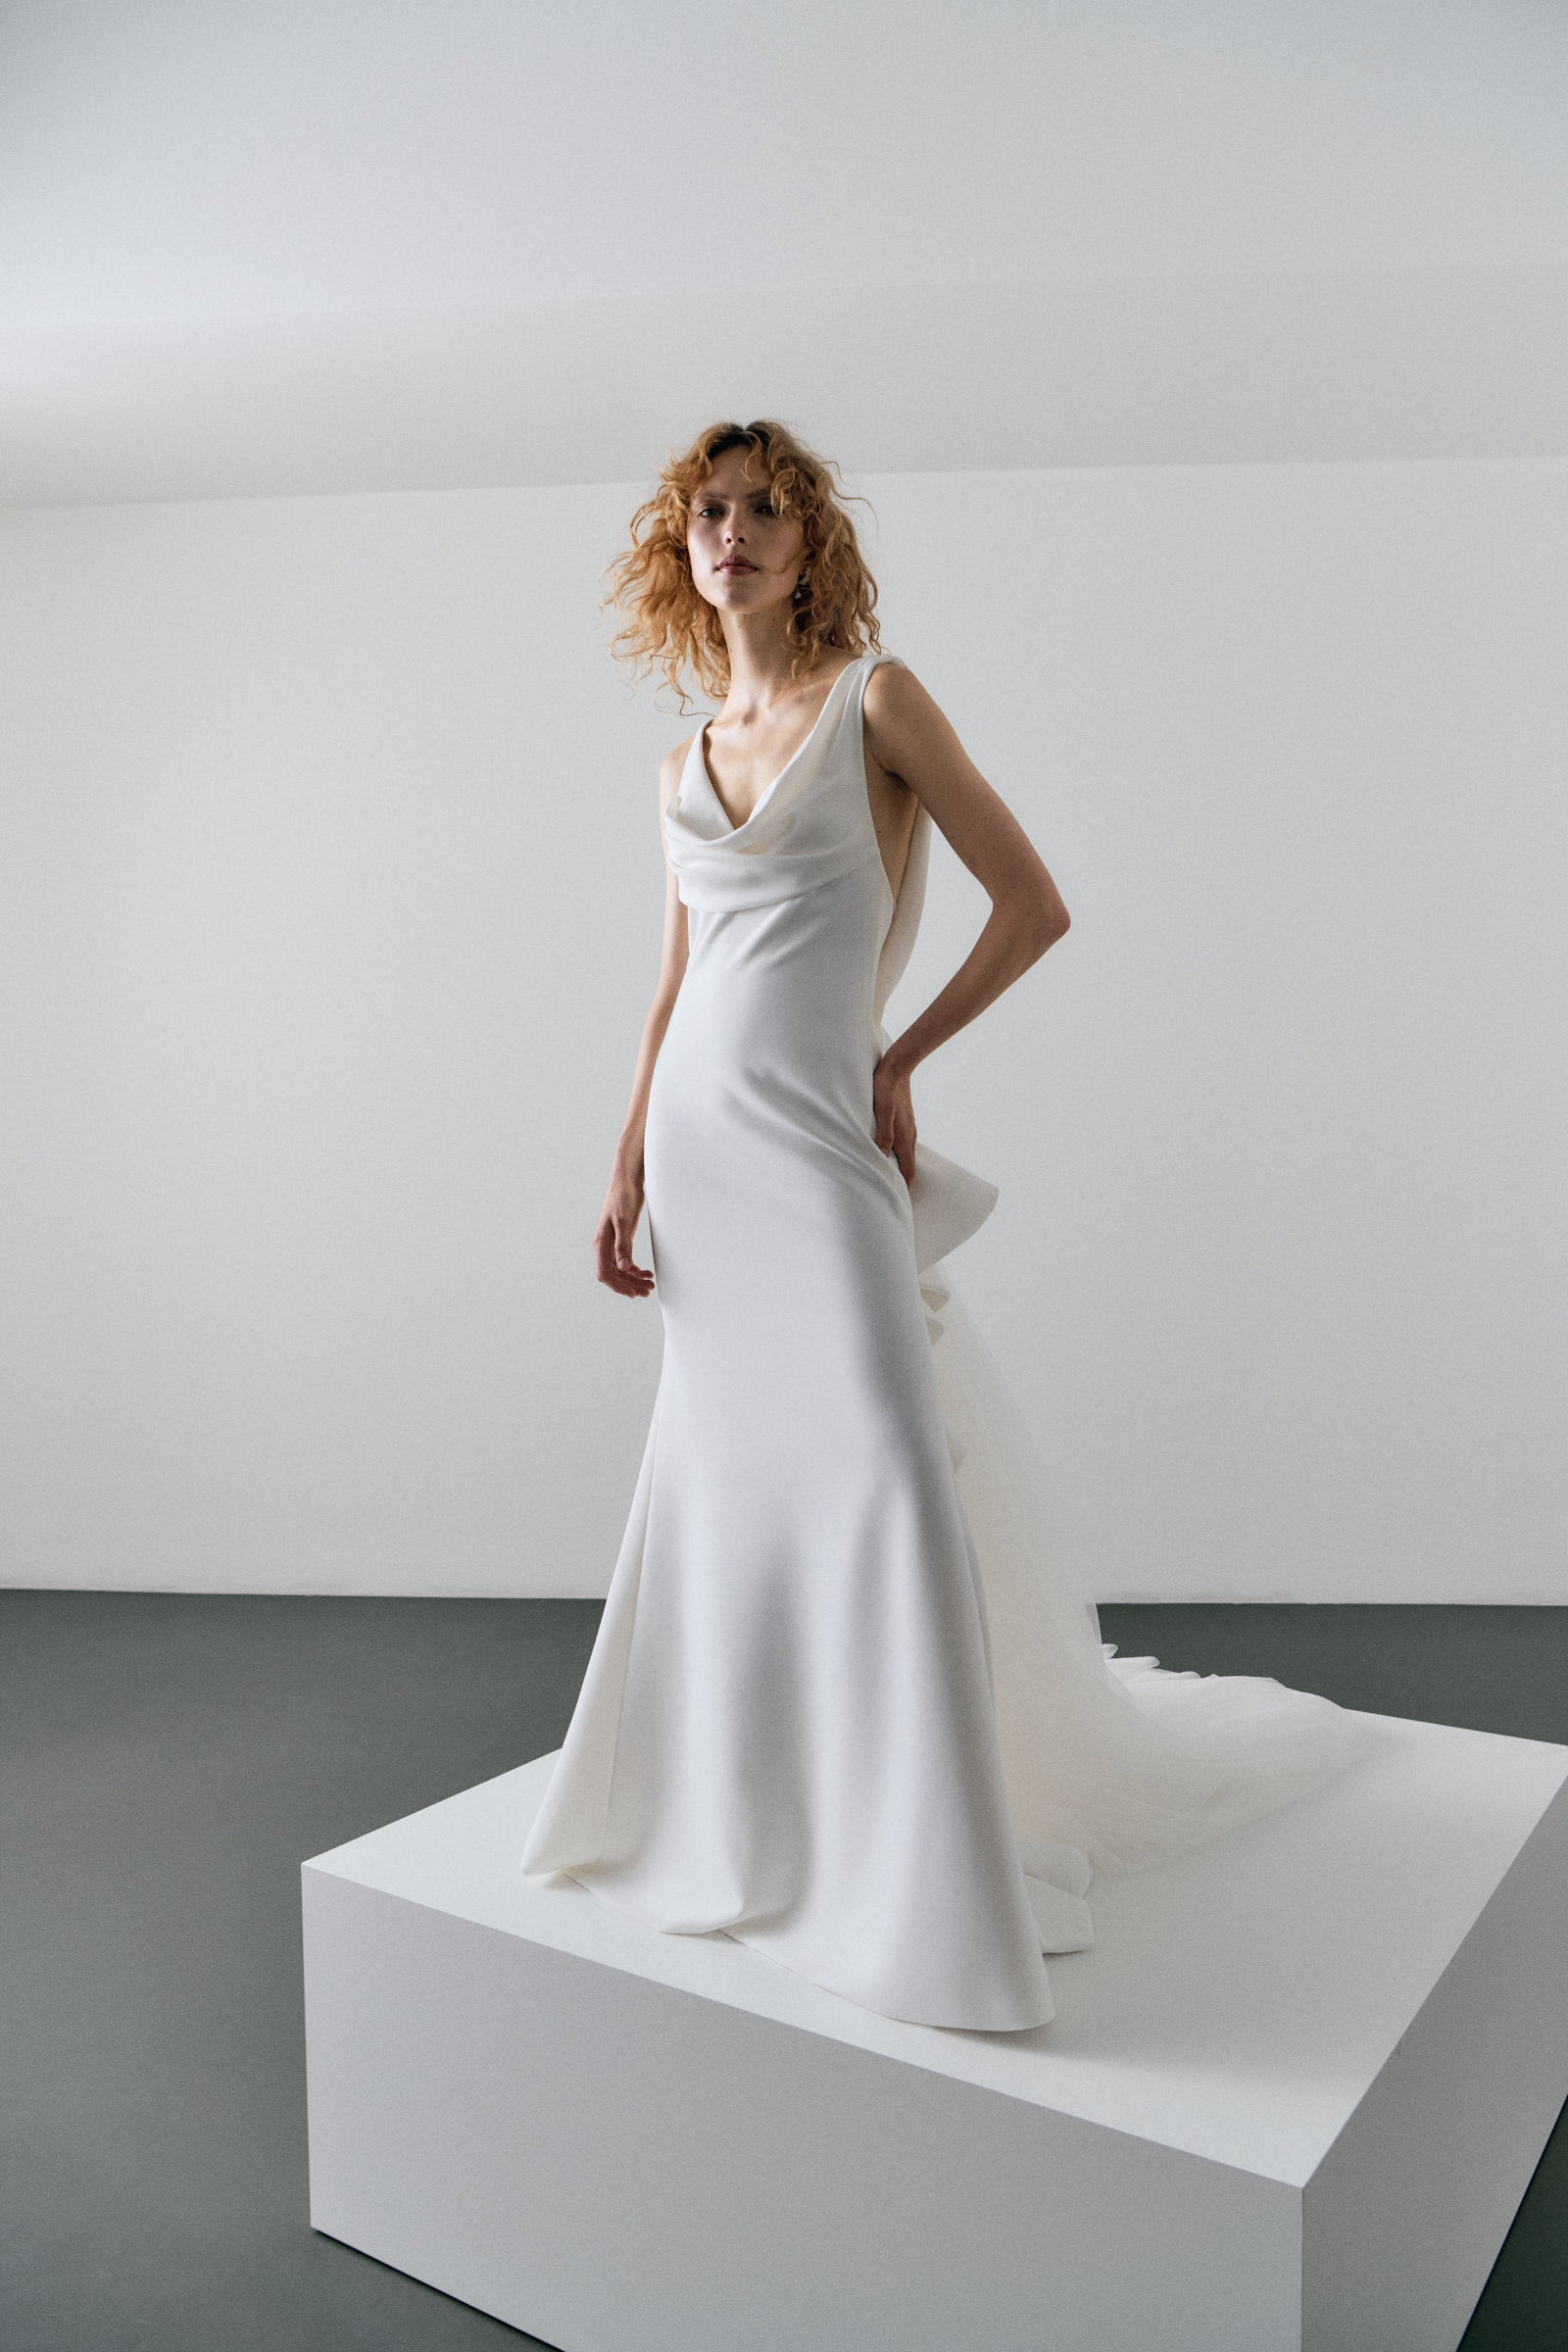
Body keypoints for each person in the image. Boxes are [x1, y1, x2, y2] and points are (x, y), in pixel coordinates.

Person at [520, 417, 1370, 2033]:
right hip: (700, 1157)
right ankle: (753, 1829)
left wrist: (897, 1054)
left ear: (807, 542)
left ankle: (923, 1877)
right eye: (711, 511)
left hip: (821, 1146)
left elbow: (1034, 903)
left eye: (767, 508)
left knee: (890, 1485)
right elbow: (674, 984)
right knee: (731, 1495)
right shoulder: (682, 759)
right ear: (679, 546)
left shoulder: (878, 701)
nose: (736, 532)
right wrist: (628, 1153)